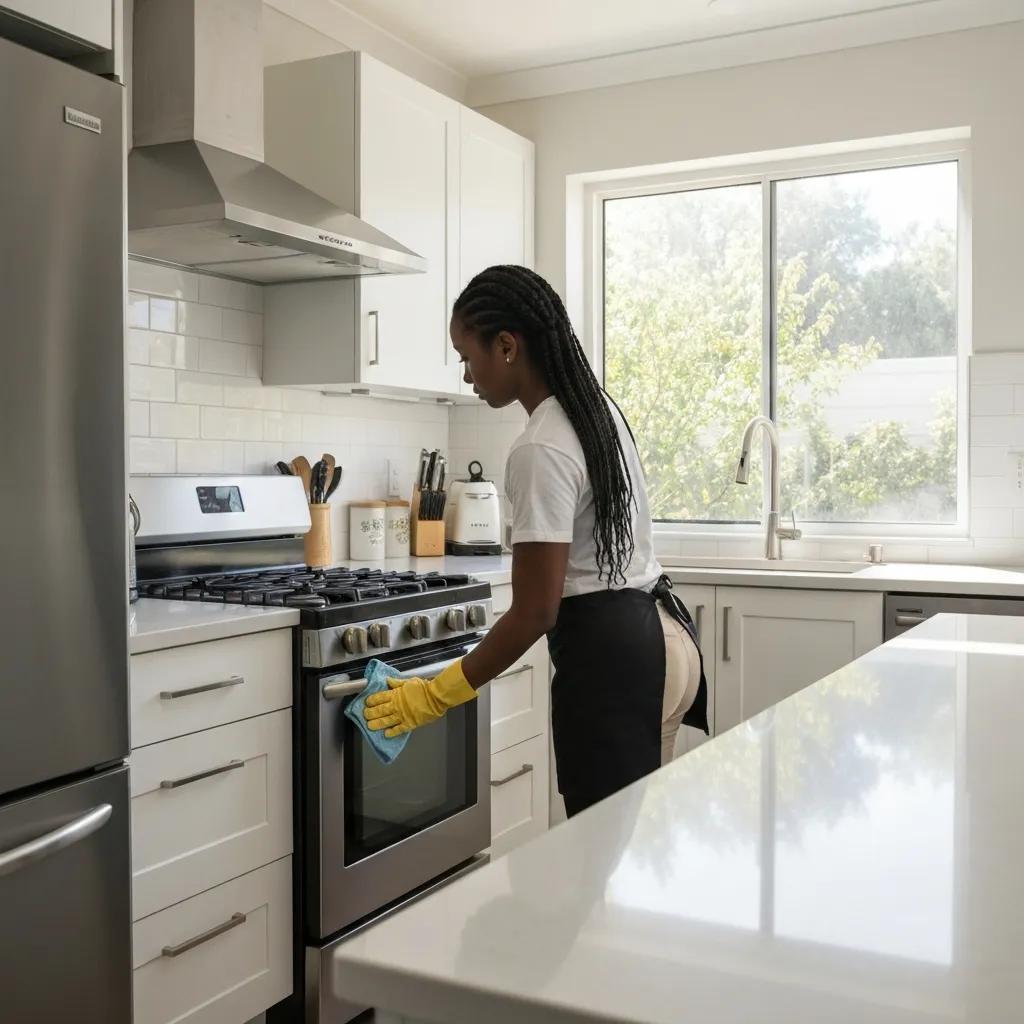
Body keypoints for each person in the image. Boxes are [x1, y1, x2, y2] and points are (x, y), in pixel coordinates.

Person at [364, 265, 708, 817]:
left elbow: (534, 613)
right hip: (662, 639)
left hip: (613, 666)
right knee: (626, 847)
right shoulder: (597, 411)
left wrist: (435, 695)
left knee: (599, 856)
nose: (466, 375)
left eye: (466, 355)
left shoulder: (540, 446)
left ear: (505, 346)